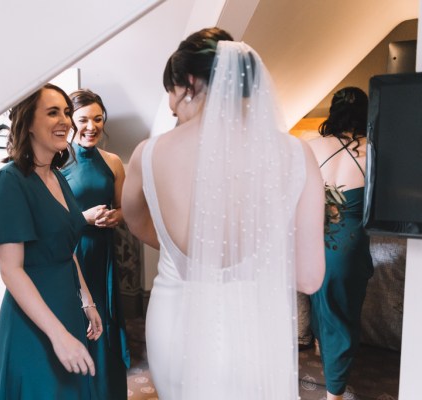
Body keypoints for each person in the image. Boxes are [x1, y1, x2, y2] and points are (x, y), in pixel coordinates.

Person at [122, 27, 326, 399]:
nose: (173, 111)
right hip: (256, 325)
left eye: (174, 101)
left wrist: (190, 256)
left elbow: (136, 222)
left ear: (187, 82)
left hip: (175, 324)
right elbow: (309, 279)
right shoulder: (296, 154)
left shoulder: (147, 153)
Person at [0, 83, 103, 400]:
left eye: (65, 112)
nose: (65, 120)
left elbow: (66, 248)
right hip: (34, 322)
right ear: (28, 123)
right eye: (52, 112)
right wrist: (58, 335)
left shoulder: (57, 176)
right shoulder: (8, 182)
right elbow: (11, 270)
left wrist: (86, 301)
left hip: (67, 306)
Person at [60, 89, 130, 400]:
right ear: (71, 122)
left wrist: (117, 216)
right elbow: (50, 220)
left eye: (98, 119)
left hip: (103, 256)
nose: (92, 127)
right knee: (77, 323)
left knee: (106, 324)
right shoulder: (57, 163)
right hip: (71, 255)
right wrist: (84, 218)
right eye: (83, 120)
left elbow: (123, 207)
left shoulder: (113, 162)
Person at [307, 86, 374, 400]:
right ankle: (335, 392)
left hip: (313, 244)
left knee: (323, 307)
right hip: (348, 246)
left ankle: (327, 359)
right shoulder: (374, 152)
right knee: (344, 317)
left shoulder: (310, 147)